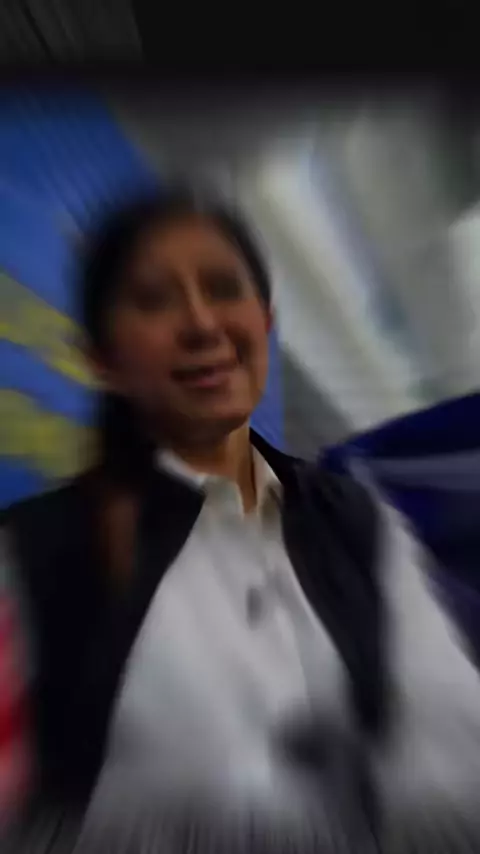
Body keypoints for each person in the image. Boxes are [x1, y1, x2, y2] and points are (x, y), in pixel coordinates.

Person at [3, 185, 480, 853]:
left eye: (225, 289)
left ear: (266, 318)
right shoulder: (31, 555)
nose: (202, 323)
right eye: (154, 301)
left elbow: (451, 739)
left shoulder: (359, 522)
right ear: (101, 360)